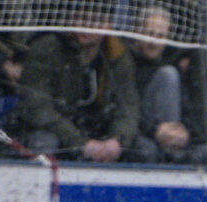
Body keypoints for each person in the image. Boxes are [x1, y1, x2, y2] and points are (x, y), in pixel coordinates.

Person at [17, 16, 143, 162]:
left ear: (108, 25)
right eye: (81, 18)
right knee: (44, 143)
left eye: (95, 20)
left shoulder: (119, 56)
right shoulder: (47, 48)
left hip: (101, 131)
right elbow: (37, 107)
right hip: (56, 130)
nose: (86, 26)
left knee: (143, 149)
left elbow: (128, 107)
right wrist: (79, 142)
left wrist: (117, 140)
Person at [129, 6, 201, 163]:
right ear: (137, 33)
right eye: (150, 34)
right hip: (139, 133)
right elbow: (127, 109)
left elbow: (187, 107)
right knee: (168, 74)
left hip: (162, 135)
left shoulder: (171, 65)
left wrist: (184, 131)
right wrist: (155, 130)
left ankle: (172, 142)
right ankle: (171, 149)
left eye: (160, 36)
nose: (154, 41)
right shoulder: (126, 64)